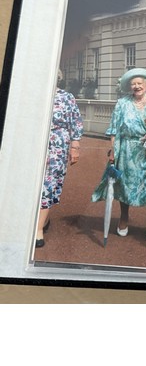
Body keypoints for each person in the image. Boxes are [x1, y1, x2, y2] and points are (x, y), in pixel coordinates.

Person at [91, 68, 146, 243]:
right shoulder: (122, 103)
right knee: (125, 185)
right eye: (133, 84)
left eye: (139, 83)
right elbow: (114, 128)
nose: (136, 87)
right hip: (127, 149)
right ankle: (124, 219)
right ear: (129, 86)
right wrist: (113, 150)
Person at [36, 70, 83, 248]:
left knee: (49, 183)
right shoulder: (34, 94)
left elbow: (76, 122)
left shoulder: (66, 97)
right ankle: (41, 219)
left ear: (57, 78)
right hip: (34, 142)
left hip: (57, 144)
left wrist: (75, 147)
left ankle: (38, 228)